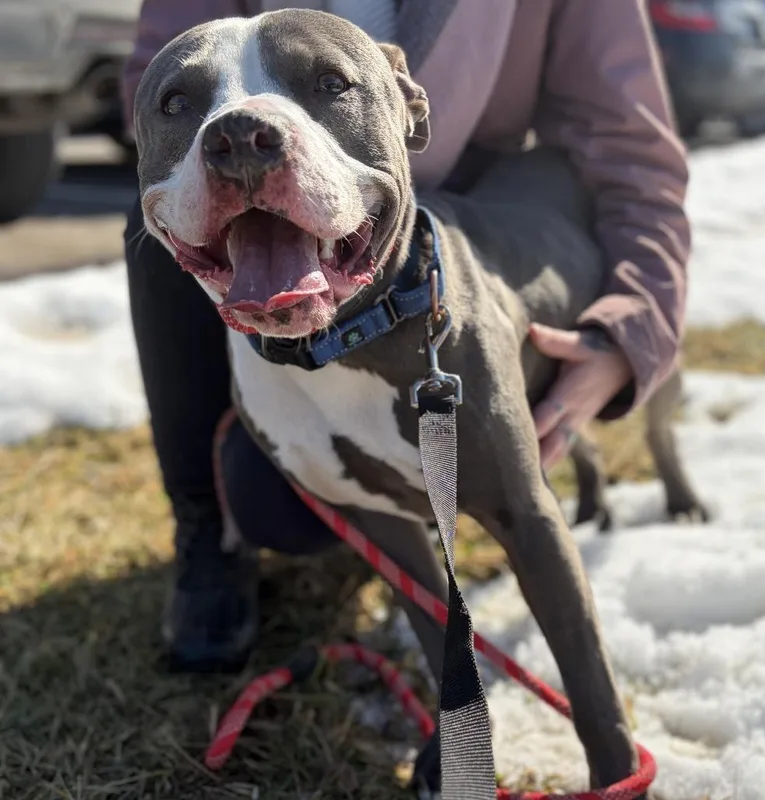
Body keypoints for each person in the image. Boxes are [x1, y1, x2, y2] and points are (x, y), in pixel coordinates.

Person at [122, 0, 690, 671]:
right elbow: (154, 86)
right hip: (266, 229)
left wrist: (629, 329)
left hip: (459, 237)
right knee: (268, 502)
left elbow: (629, 147)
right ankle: (207, 530)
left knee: (490, 461)